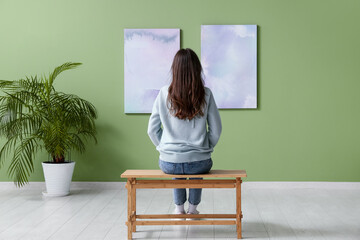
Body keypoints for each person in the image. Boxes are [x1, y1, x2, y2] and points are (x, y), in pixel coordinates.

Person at [147, 48, 222, 216]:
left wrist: (164, 147)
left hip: (169, 161)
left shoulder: (164, 93)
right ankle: (193, 209)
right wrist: (205, 146)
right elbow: (216, 129)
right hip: (200, 161)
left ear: (175, 69)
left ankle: (178, 208)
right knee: (195, 168)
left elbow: (151, 130)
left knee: (177, 168)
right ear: (197, 70)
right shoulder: (206, 94)